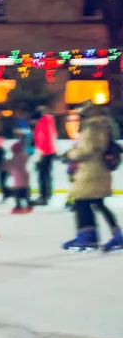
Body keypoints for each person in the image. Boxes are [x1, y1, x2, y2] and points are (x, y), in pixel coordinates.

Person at [62, 104, 121, 252]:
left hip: (90, 171)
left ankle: (88, 237)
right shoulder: (100, 126)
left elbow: (86, 150)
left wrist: (69, 156)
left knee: (82, 202)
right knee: (94, 202)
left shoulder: (91, 128)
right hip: (96, 171)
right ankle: (102, 235)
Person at [33, 106, 58, 206]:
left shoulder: (44, 121)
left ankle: (44, 195)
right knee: (45, 174)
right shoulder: (49, 121)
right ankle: (46, 194)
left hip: (45, 152)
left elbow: (43, 138)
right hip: (48, 151)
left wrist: (40, 152)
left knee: (43, 175)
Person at [6, 136, 33, 214]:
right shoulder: (24, 156)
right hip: (26, 180)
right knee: (26, 196)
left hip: (17, 182)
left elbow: (7, 165)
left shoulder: (14, 159)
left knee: (17, 196)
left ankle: (19, 207)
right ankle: (29, 206)